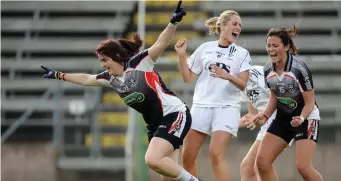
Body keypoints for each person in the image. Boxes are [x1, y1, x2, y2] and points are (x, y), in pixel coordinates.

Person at [41, 2, 203, 181]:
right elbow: (87, 78)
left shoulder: (140, 63)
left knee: (151, 159)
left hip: (174, 114)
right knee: (166, 175)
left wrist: (173, 23)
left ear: (116, 56)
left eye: (104, 60)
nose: (102, 65)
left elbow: (160, 44)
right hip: (155, 125)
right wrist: (59, 75)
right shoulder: (110, 78)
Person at [174, 10, 251, 181]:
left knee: (215, 154)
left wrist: (227, 76)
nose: (238, 28)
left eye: (240, 25)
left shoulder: (242, 53)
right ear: (223, 26)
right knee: (187, 157)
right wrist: (181, 56)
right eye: (235, 24)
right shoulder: (205, 48)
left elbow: (243, 84)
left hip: (227, 107)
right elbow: (188, 78)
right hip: (201, 105)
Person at [245, 25, 323, 181]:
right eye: (268, 45)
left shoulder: (299, 69)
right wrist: (265, 115)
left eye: (275, 45)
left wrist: (301, 118)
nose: (271, 49)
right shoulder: (268, 69)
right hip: (283, 118)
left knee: (303, 167)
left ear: (287, 47)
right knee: (262, 163)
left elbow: (310, 102)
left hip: (306, 118)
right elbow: (275, 96)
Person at [238, 65, 278, 181]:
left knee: (257, 166)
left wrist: (265, 114)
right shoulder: (236, 81)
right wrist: (252, 115)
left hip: (278, 118)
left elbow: (280, 95)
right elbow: (252, 100)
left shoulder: (259, 73)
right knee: (249, 168)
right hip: (267, 121)